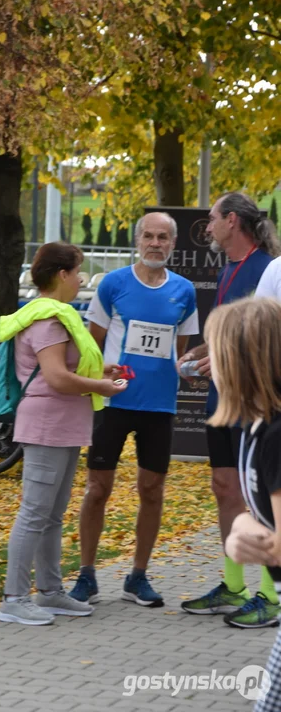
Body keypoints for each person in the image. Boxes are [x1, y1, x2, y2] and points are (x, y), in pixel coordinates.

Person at [69, 212, 199, 608]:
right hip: (114, 400)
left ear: (173, 244)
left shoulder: (185, 290)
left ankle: (138, 576)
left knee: (152, 490)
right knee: (97, 489)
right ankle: (87, 575)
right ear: (137, 240)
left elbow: (181, 351)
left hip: (159, 405)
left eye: (163, 237)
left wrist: (183, 372)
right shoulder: (113, 284)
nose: (155, 243)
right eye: (148, 236)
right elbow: (93, 347)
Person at [0, 242, 123, 626]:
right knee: (35, 513)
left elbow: (66, 371)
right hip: (48, 424)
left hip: (65, 425)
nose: (81, 279)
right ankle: (14, 598)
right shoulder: (48, 320)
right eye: (77, 271)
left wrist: (100, 374)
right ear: (62, 275)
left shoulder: (56, 316)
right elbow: (55, 377)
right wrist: (98, 387)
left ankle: (50, 592)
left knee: (52, 515)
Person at [179, 192, 281, 628]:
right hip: (221, 396)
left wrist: (220, 357)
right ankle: (233, 584)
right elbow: (225, 332)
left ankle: (270, 593)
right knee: (225, 486)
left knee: (260, 494)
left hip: (253, 398)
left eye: (213, 219)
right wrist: (195, 357)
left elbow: (259, 339)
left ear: (233, 221)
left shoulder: (268, 268)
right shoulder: (227, 270)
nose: (208, 227)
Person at [205, 297, 281, 711]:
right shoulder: (256, 427)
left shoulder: (275, 435)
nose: (209, 365)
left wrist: (242, 532)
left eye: (215, 353)